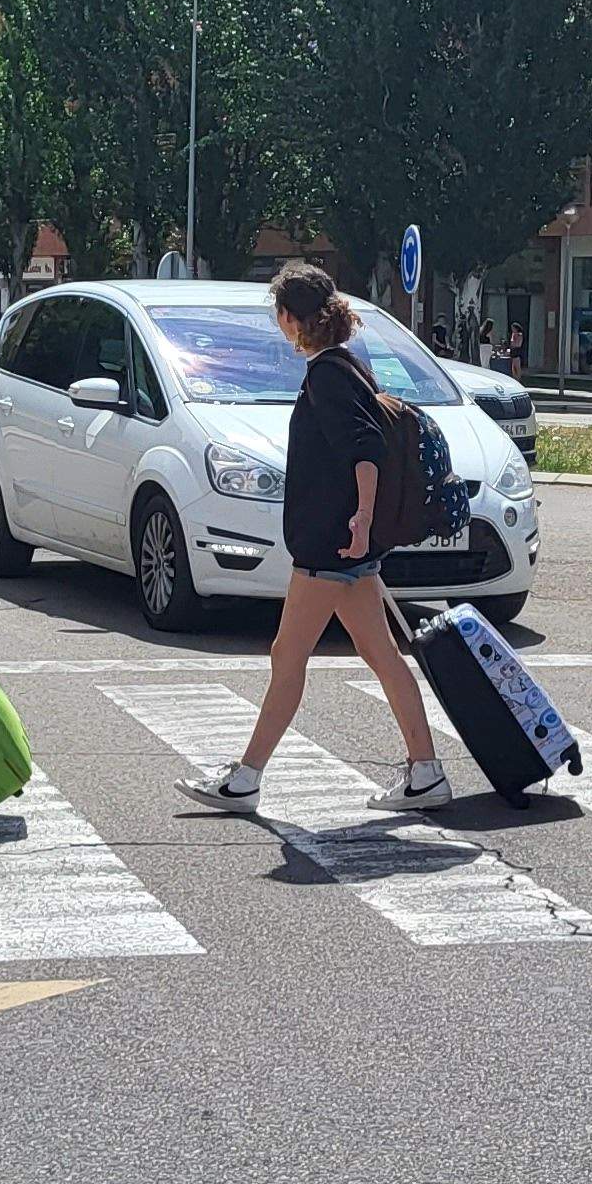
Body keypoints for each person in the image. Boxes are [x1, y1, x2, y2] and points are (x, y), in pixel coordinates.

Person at [173, 264, 452, 815]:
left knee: (289, 655)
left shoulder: (328, 375)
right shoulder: (346, 366)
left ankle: (246, 779)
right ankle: (426, 772)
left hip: (331, 544)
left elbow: (365, 448)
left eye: (279, 314)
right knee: (381, 655)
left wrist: (362, 518)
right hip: (348, 546)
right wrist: (363, 528)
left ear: (290, 319)